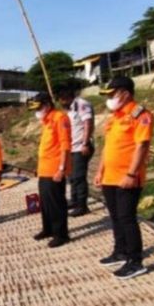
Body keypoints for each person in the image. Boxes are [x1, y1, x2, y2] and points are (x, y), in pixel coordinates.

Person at [95, 76, 154, 280]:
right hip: (109, 177)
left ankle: (135, 261)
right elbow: (107, 146)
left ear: (125, 93)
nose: (109, 98)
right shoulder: (115, 117)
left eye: (112, 94)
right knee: (115, 217)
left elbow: (142, 145)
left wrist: (131, 174)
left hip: (127, 177)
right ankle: (120, 251)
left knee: (127, 218)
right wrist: (99, 171)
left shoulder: (140, 115)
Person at [29, 92, 72, 248]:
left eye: (39, 107)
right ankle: (48, 229)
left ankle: (61, 234)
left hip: (55, 170)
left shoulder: (59, 118)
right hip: (44, 170)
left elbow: (65, 145)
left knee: (56, 203)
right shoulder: (46, 121)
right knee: (45, 203)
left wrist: (61, 169)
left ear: (47, 105)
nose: (37, 111)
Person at [59, 86, 94, 217]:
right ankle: (74, 201)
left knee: (79, 177)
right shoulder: (69, 109)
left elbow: (87, 124)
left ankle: (82, 206)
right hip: (72, 148)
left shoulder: (82, 104)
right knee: (71, 177)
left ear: (66, 98)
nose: (61, 103)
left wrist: (85, 143)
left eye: (62, 101)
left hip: (81, 147)